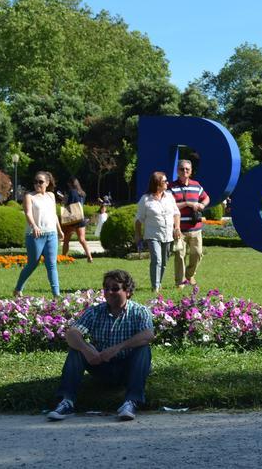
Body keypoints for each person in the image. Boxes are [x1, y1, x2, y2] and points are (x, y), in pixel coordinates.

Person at [47, 269, 154, 422]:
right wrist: (86, 348)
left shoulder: (140, 312)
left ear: (128, 292)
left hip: (129, 368)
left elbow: (148, 335)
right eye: (106, 288)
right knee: (76, 350)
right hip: (101, 365)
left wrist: (118, 347)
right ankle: (66, 401)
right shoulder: (95, 312)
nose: (109, 292)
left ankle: (131, 402)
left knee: (143, 349)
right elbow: (71, 334)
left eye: (115, 288)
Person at [14, 172, 62, 297]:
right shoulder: (29, 196)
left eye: (40, 182)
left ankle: (56, 294)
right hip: (35, 235)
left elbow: (54, 214)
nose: (37, 184)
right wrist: (34, 226)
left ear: (47, 183)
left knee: (52, 264)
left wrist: (59, 230)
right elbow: (28, 213)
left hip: (51, 234)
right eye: (35, 181)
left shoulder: (51, 196)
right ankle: (18, 288)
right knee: (32, 264)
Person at [134, 171, 180, 292]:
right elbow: (138, 219)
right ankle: (155, 287)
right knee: (157, 259)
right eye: (165, 181)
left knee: (164, 262)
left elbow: (176, 213)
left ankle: (159, 283)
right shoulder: (145, 199)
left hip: (168, 235)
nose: (167, 183)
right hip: (152, 235)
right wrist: (137, 234)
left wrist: (177, 228)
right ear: (157, 184)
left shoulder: (169, 196)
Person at [169, 159, 210, 286]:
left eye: (187, 169)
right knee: (180, 256)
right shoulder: (171, 187)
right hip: (179, 228)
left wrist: (202, 205)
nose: (184, 171)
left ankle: (190, 275)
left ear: (191, 171)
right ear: (177, 171)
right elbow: (169, 205)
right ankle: (180, 282)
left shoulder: (196, 185)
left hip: (195, 228)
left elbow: (206, 197)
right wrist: (187, 203)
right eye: (182, 169)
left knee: (197, 253)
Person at [59, 178, 93, 263]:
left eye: (68, 184)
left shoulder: (72, 191)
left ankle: (64, 257)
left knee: (66, 239)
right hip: (80, 218)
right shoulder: (82, 193)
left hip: (72, 218)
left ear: (71, 184)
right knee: (82, 239)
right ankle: (89, 256)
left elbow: (70, 204)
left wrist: (63, 199)